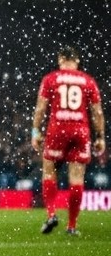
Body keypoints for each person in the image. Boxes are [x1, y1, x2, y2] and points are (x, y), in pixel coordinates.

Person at [31, 45, 105, 236]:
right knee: (77, 178)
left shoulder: (51, 79)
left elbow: (41, 108)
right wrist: (100, 136)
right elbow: (97, 112)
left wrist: (35, 131)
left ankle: (51, 214)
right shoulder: (88, 81)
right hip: (80, 130)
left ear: (60, 60)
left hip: (58, 128)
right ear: (77, 61)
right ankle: (71, 226)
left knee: (49, 171)